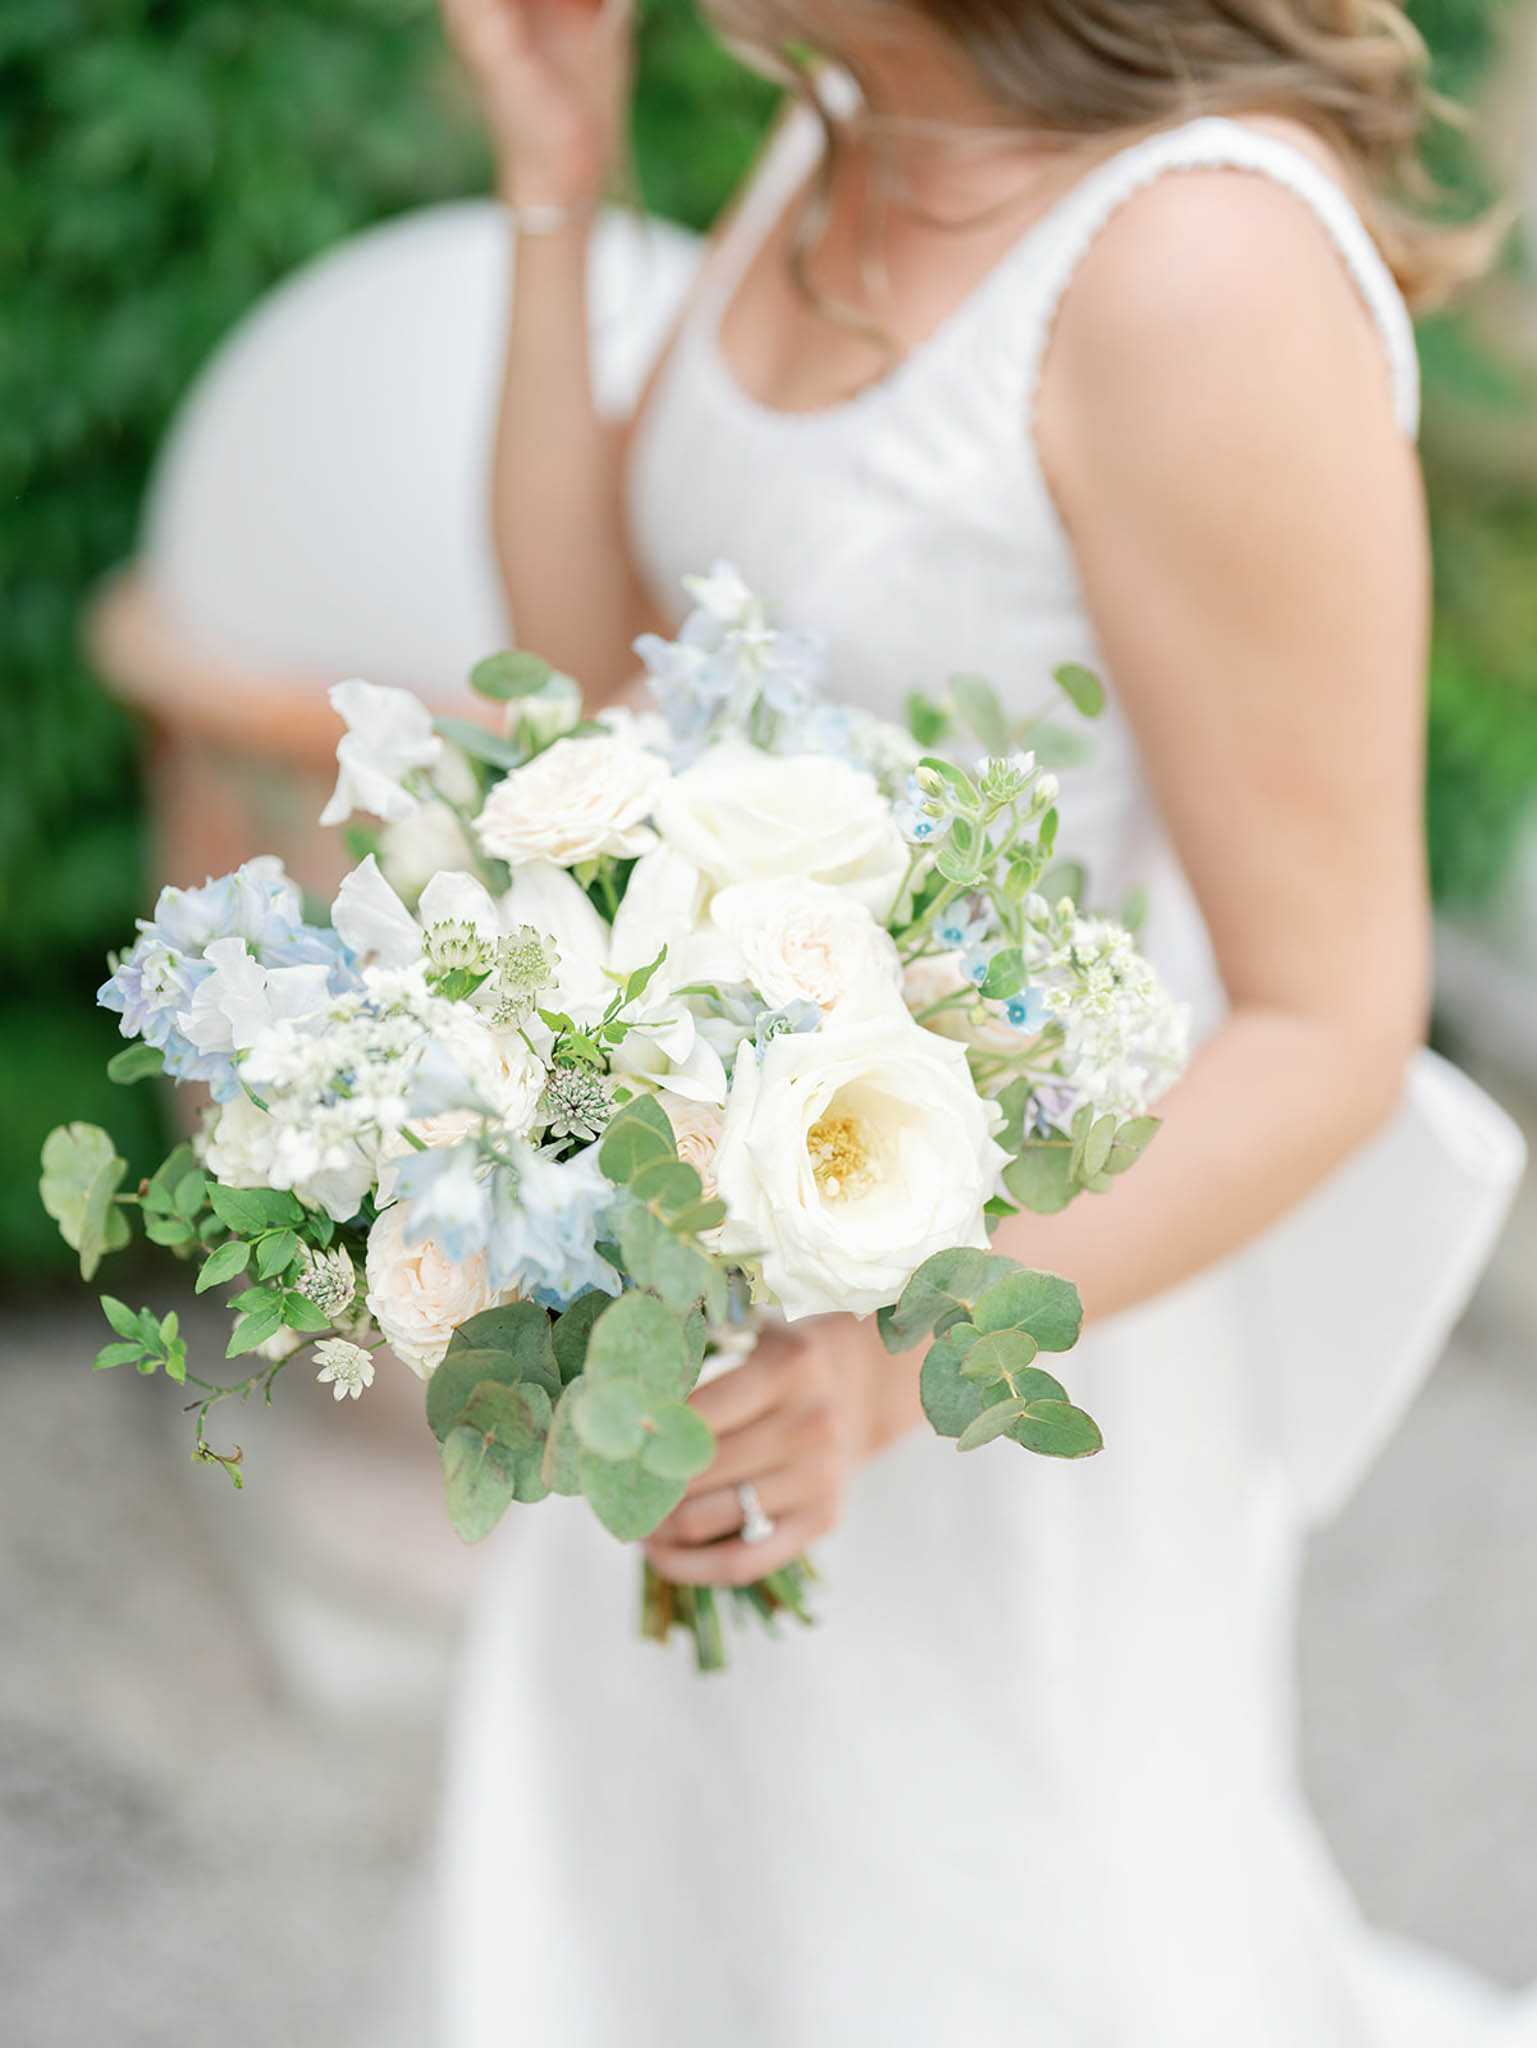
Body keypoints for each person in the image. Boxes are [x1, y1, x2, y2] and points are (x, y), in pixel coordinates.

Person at [430, 2, 1528, 2041]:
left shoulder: (1194, 272)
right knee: (667, 1902)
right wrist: (553, 183)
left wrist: (879, 1360)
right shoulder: (848, 112)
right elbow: (597, 691)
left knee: (979, 1929)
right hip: (700, 1288)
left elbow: (1330, 1015)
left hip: (1013, 1346)